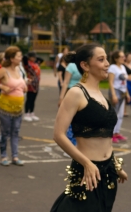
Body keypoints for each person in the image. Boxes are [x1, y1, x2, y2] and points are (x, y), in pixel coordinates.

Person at [50, 43, 128, 212]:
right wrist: (86, 163)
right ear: (85, 65)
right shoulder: (76, 93)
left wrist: (115, 165)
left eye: (107, 58)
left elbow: (105, 139)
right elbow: (58, 135)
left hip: (109, 172)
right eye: (101, 59)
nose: (107, 63)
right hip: (88, 172)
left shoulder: (101, 95)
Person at [0, 46, 27, 166]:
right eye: (19, 56)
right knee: (5, 132)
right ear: (12, 58)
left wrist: (24, 86)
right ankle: (3, 155)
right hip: (6, 108)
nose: (21, 58)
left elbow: (21, 84)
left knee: (15, 132)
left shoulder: (19, 69)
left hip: (18, 108)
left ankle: (15, 156)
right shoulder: (4, 70)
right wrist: (2, 87)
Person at [108, 50, 130, 143]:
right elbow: (110, 82)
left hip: (122, 92)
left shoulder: (122, 67)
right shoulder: (112, 67)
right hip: (115, 92)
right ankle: (110, 134)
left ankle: (117, 133)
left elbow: (124, 82)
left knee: (120, 115)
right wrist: (113, 95)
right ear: (115, 58)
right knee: (114, 114)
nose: (123, 58)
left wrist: (127, 94)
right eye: (121, 57)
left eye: (123, 56)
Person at [23, 52, 41, 122]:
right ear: (29, 57)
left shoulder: (36, 64)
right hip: (30, 84)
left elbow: (41, 60)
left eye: (35, 57)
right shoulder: (28, 64)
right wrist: (27, 57)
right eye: (33, 57)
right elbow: (24, 58)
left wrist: (35, 59)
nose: (35, 58)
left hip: (36, 84)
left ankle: (32, 113)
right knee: (29, 99)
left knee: (33, 99)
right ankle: (26, 113)